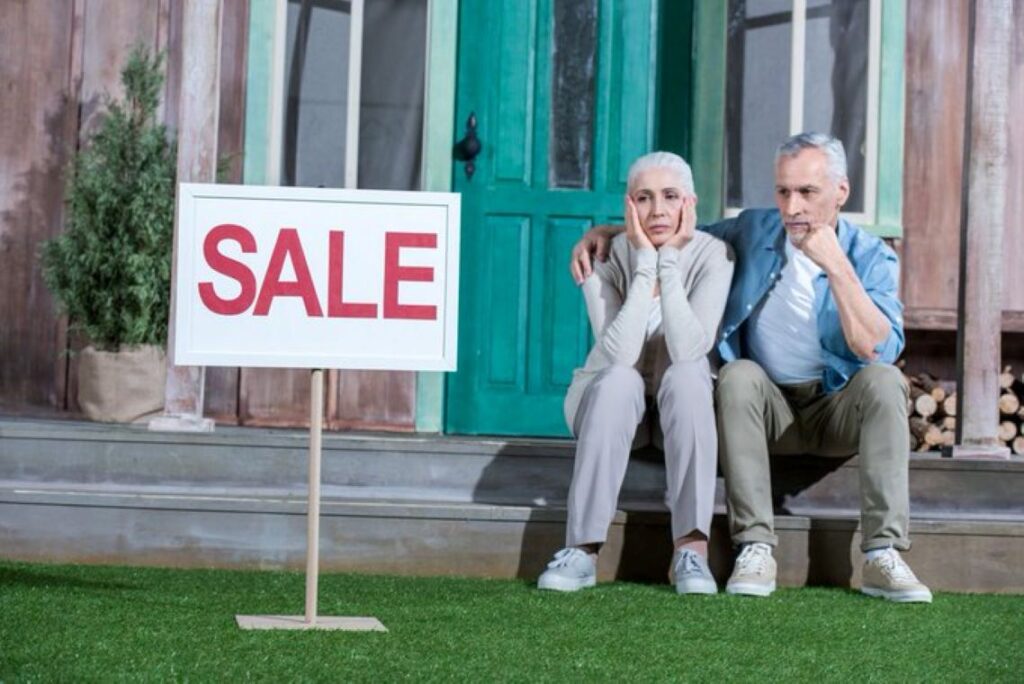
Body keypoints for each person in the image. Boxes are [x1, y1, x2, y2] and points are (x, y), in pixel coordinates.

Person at [569, 133, 932, 603]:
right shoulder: (755, 230)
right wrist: (609, 232)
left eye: (807, 192)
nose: (793, 206)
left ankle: (883, 554)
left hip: (836, 408)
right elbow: (678, 225)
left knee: (885, 381)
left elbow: (875, 349)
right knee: (738, 374)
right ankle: (755, 546)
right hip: (768, 411)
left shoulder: (871, 256)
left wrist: (836, 266)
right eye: (783, 191)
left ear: (841, 192)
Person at [538, 152, 734, 594]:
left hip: (678, 409)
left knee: (688, 376)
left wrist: (670, 261)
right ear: (629, 205)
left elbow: (688, 349)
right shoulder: (602, 255)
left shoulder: (715, 256)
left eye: (670, 196)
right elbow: (621, 355)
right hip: (607, 400)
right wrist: (646, 260)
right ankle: (582, 551)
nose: (658, 210)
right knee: (619, 379)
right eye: (644, 198)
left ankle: (691, 552)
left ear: (690, 202)